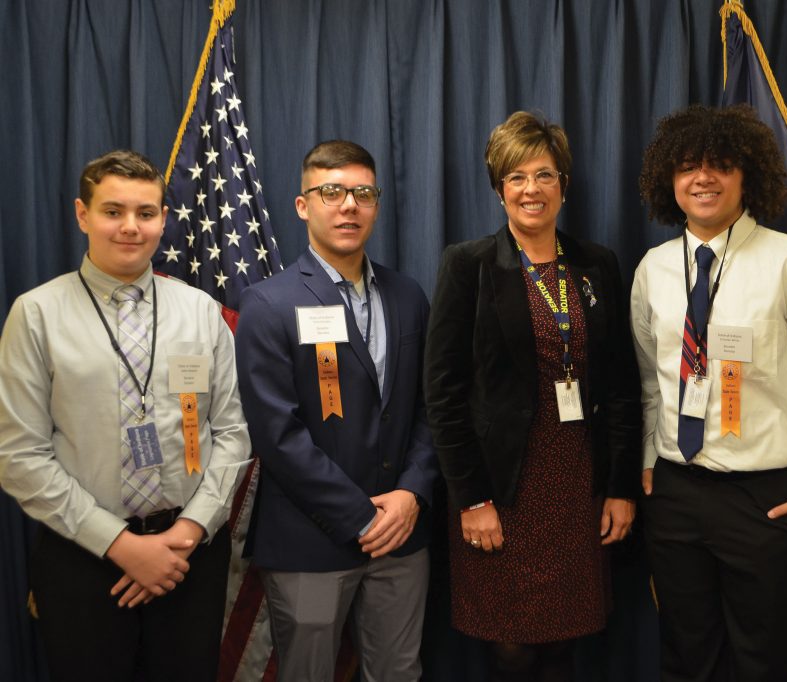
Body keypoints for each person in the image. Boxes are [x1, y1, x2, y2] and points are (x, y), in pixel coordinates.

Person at [630, 104, 787, 681]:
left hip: (768, 500)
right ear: (670, 180)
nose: (702, 178)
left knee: (763, 663)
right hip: (677, 494)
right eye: (688, 167)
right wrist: (646, 462)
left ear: (747, 175)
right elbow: (648, 383)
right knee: (685, 658)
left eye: (720, 165)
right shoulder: (653, 269)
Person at [0, 150, 251, 681]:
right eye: (113, 211)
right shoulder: (36, 314)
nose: (131, 227)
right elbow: (19, 457)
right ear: (82, 214)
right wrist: (122, 546)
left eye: (146, 212)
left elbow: (232, 434)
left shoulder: (201, 311)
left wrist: (184, 534)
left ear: (164, 217)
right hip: (83, 557)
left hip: (189, 555)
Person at [423, 110, 641, 681]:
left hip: (576, 485)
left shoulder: (596, 265)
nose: (531, 189)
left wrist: (620, 488)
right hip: (501, 491)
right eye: (516, 177)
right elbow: (443, 395)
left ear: (564, 187)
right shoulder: (467, 265)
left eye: (544, 175)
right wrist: (471, 499)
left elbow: (620, 386)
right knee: (512, 646)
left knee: (567, 638)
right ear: (499, 190)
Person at [234, 139, 437, 681]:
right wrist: (360, 516)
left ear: (376, 204)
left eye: (362, 193)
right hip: (309, 540)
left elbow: (427, 408)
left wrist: (412, 494)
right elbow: (278, 436)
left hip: (401, 536)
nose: (349, 205)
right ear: (304, 205)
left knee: (398, 673)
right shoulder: (268, 304)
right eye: (332, 192)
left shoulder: (408, 295)